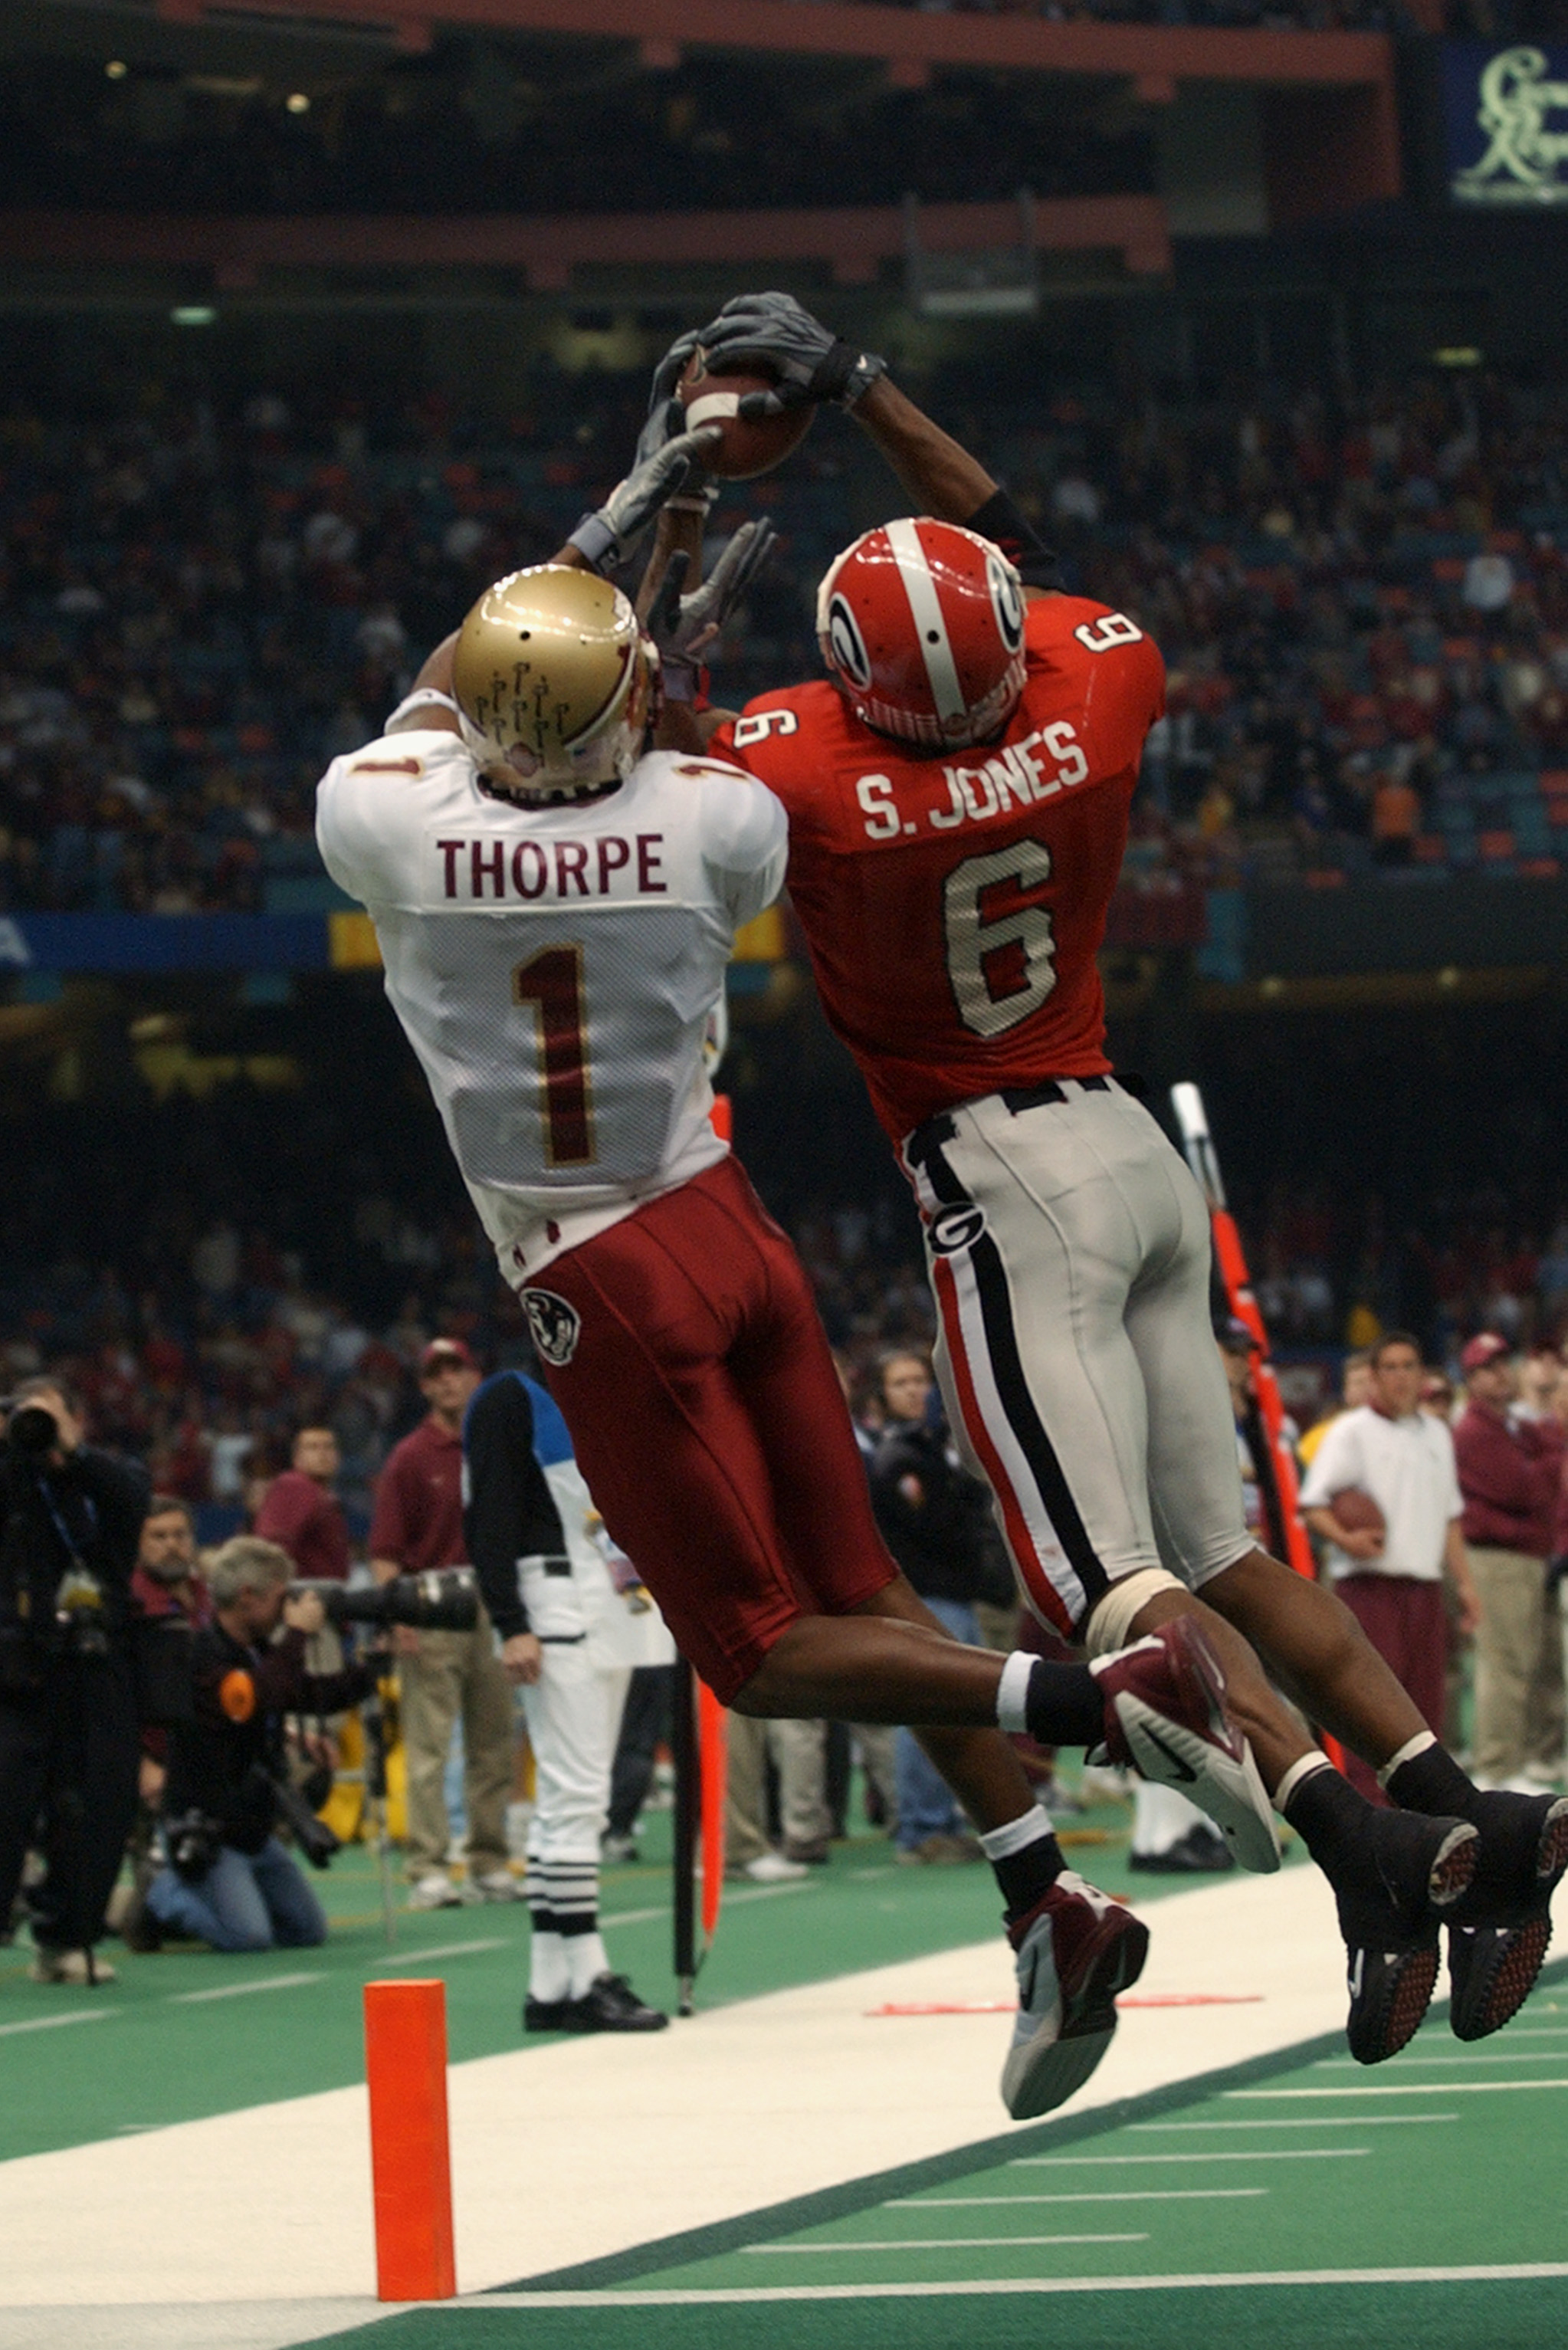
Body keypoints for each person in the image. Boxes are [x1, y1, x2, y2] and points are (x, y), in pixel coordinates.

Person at [315, 438, 1275, 2122]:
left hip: (588, 1264)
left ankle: (1099, 1695)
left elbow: (436, 701)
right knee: (863, 1592)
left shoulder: (386, 826)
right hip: (729, 1225)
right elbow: (662, 735)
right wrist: (665, 589)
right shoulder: (713, 818)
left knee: (758, 1653)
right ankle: (1044, 1901)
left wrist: (615, 530)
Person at [675, 287, 1565, 2054]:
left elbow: (643, 722)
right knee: (1228, 1556)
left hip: (1002, 1183)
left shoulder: (812, 780)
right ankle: (1487, 1814)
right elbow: (1021, 546)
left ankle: (1375, 1854)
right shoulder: (1097, 684)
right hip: (1131, 1136)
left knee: (1113, 1593)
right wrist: (862, 387)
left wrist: (682, 483)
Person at [464, 1365, 668, 2031]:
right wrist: (510, 1621)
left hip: (607, 1605)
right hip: (554, 1607)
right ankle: (589, 1973)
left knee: (568, 1801)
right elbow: (487, 1515)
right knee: (577, 1797)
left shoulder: (600, 1390)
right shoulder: (510, 1397)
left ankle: (550, 1986)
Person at [143, 1537, 379, 1953]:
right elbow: (256, 1698)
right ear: (247, 1598)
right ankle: (161, 1897)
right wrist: (299, 1635)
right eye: (279, 1598)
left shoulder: (258, 1653)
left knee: (306, 1931)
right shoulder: (204, 1656)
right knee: (247, 1938)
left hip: (251, 1827)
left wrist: (372, 1668)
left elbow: (305, 1692)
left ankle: (220, 1897)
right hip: (206, 1828)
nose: (287, 1610)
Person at [0, 1378, 147, 1987]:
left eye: (48, 1413)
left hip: (93, 1662)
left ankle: (67, 1938)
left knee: (98, 1807)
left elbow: (132, 1496)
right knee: (5, 1803)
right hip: (13, 1670)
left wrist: (70, 1455)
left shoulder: (102, 1478)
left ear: (72, 1417)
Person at [1300, 1334, 1483, 1806]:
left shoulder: (1438, 1434)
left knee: (1426, 1710)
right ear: (1375, 1377)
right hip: (1368, 1587)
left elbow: (1450, 1518)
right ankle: (1369, 1809)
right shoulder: (1351, 1431)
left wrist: (1465, 1585)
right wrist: (1347, 1539)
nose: (1402, 1376)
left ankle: (1425, 1809)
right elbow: (1314, 1504)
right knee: (1370, 1705)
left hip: (1424, 1586)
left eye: (1410, 1366)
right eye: (1392, 1368)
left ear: (1423, 1374)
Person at [370, 1337, 517, 1909]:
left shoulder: (498, 1448)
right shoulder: (409, 1456)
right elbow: (385, 1549)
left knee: (494, 1743)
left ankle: (487, 1862)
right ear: (425, 1387)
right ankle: (428, 1867)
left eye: (458, 1370)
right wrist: (395, 1613)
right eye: (437, 1375)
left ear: (475, 1376)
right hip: (431, 1602)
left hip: (493, 1599)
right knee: (429, 1747)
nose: (448, 1382)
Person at [868, 1348, 996, 1866]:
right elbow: (936, 1528)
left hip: (953, 1591)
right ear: (882, 1396)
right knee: (926, 1709)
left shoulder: (935, 1447)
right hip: (925, 1593)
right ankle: (920, 1828)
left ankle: (942, 1819)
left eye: (921, 1380)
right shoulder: (899, 1456)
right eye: (901, 1382)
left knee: (962, 1710)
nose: (915, 1390)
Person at [1452, 1334, 1565, 1794]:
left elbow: (1548, 1451)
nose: (1500, 1374)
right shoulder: (1475, 1430)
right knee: (1504, 1665)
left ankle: (1512, 1761)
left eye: (1503, 1363)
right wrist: (1553, 1457)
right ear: (1472, 1380)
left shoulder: (1509, 1425)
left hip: (1523, 1557)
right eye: (1488, 1368)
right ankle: (1497, 1768)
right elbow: (1525, 1490)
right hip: (1497, 1559)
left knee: (1523, 1663)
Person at [120, 1495, 213, 1950]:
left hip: (199, 1752)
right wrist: (142, 1764)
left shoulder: (204, 1598)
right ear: (138, 1544)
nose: (172, 1546)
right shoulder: (129, 1604)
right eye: (159, 1537)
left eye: (180, 1535)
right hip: (144, 1758)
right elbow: (119, 1700)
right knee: (152, 1921)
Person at [253, 1426, 352, 1584]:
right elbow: (273, 1546)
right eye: (312, 1447)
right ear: (297, 1458)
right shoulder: (294, 1485)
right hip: (304, 1595)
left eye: (329, 1447)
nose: (323, 1453)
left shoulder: (324, 1495)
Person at [1298, 1351, 1375, 1472]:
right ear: (1346, 1392)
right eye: (1359, 1382)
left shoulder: (1401, 1430)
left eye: (1372, 1382)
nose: (1366, 1388)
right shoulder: (1320, 1437)